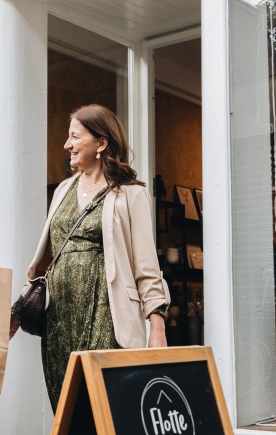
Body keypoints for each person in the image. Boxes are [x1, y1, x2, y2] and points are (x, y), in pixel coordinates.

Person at [10, 104, 169, 410]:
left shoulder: (130, 194)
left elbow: (147, 268)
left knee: (104, 407)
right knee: (66, 410)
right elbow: (48, 259)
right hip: (59, 318)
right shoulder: (63, 190)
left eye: (74, 136)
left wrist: (157, 329)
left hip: (106, 315)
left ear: (102, 142)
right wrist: (18, 309)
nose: (67, 145)